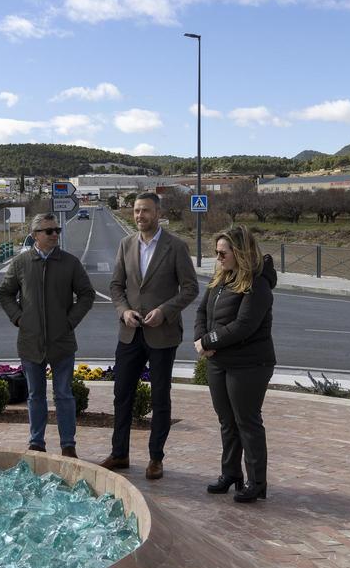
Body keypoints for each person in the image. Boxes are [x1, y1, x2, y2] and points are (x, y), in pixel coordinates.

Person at [102, 192, 198, 480]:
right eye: (136, 211)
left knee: (160, 398)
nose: (139, 216)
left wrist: (165, 311)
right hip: (130, 333)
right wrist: (124, 311)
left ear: (158, 213)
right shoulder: (126, 244)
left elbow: (190, 288)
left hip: (162, 334)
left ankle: (156, 458)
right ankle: (120, 453)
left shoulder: (176, 246)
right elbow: (116, 286)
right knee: (122, 395)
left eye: (145, 210)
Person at [0, 212, 95, 457]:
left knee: (64, 395)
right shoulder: (21, 263)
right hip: (30, 342)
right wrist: (18, 318)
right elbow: (5, 293)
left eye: (57, 230)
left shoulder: (70, 263)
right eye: (49, 231)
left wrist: (70, 321)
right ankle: (36, 443)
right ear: (35, 235)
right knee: (35, 395)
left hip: (62, 342)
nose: (54, 235)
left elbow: (87, 294)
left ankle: (68, 445)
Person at [194, 226, 277, 504]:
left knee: (247, 422)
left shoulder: (257, 283)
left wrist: (209, 341)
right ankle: (231, 473)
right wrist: (201, 338)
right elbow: (202, 311)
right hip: (220, 361)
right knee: (227, 421)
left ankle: (257, 482)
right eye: (216, 253)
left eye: (222, 253)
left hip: (249, 364)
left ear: (239, 252)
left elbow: (244, 325)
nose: (218, 258)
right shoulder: (221, 277)